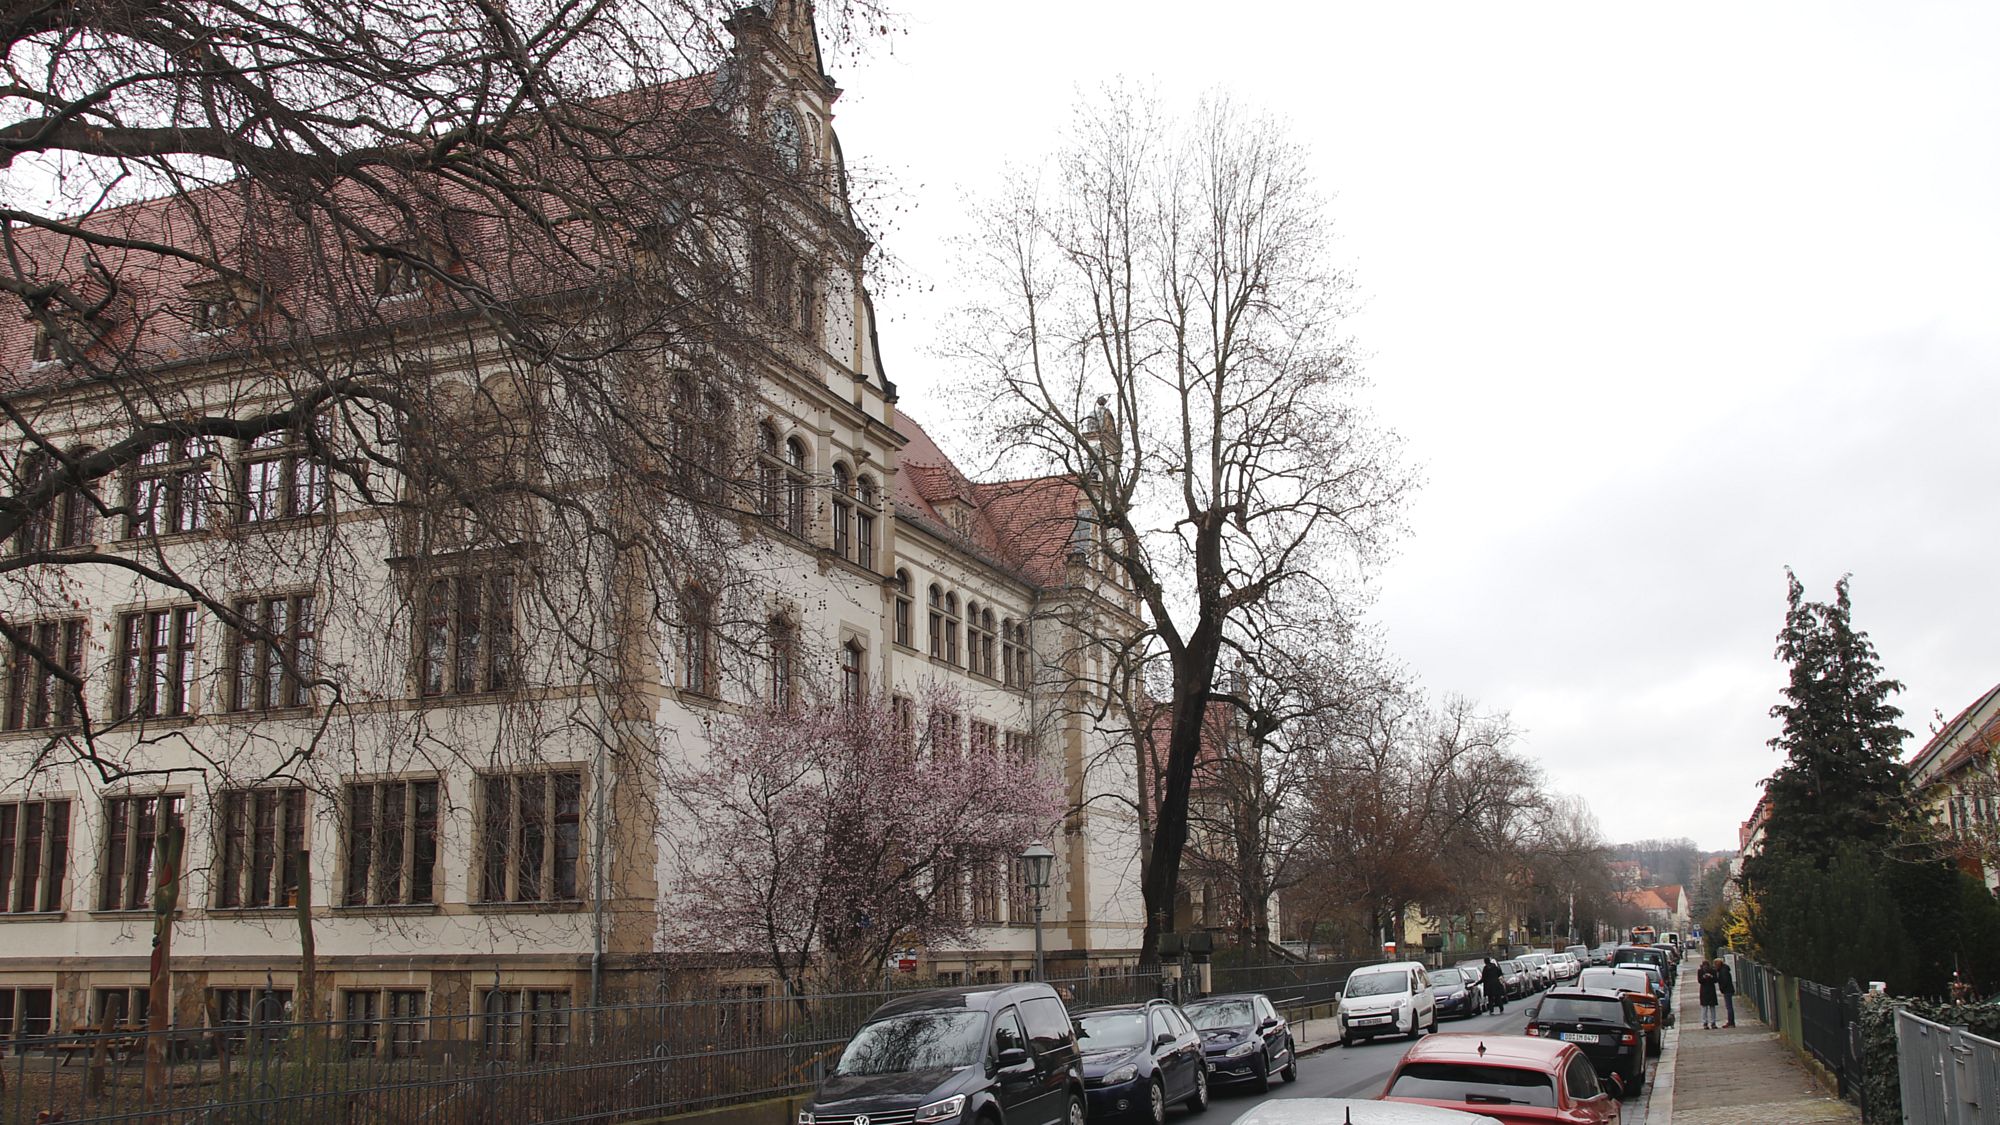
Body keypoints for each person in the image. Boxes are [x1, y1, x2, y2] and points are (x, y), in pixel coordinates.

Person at [1697, 960, 1719, 1028]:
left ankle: (1713, 1022)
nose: (1706, 967)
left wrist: (1711, 976)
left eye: (1707, 966)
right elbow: (1699, 980)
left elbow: (1716, 980)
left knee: (1712, 1007)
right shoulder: (1700, 971)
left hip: (1711, 990)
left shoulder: (1712, 970)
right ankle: (1705, 1022)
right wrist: (1704, 977)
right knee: (1704, 1007)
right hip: (1704, 990)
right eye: (1704, 966)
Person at [1716, 958, 1736, 1027]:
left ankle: (1731, 1022)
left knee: (1729, 1007)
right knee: (1729, 1006)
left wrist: (1722, 988)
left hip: (1727, 990)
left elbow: (1724, 981)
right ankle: (1731, 1022)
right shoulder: (1724, 969)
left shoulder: (1723, 971)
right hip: (1728, 989)